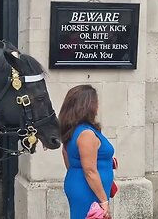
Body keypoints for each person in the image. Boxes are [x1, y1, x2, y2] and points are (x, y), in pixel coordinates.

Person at [59, 85, 114, 219]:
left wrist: (107, 162)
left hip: (84, 186)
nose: (98, 106)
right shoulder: (86, 134)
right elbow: (89, 171)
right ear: (88, 105)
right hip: (89, 190)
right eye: (96, 102)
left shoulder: (74, 130)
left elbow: (67, 156)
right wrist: (104, 201)